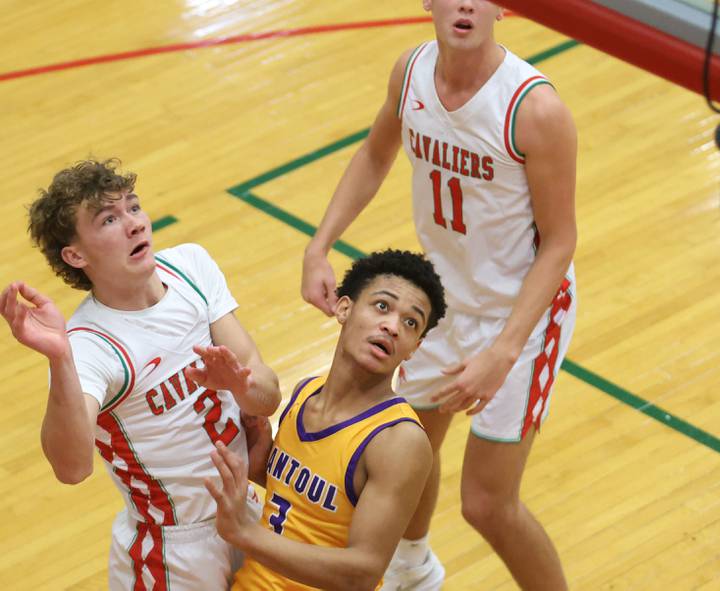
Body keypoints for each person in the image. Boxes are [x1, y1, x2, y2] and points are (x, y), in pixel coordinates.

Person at [300, 1, 577, 589]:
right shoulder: (411, 72)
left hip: (521, 315)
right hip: (438, 305)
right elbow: (377, 153)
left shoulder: (534, 108)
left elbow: (560, 242)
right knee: (405, 448)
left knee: (486, 503)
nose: (467, 3)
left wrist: (502, 353)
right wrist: (319, 245)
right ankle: (413, 569)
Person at [0, 159, 282, 590]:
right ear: (76, 255)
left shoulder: (192, 267)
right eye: (109, 219)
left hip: (249, 508)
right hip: (174, 550)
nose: (134, 224)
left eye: (133, 207)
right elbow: (71, 468)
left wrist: (240, 385)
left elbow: (268, 398)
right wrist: (60, 359)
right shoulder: (89, 345)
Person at [206, 249, 448, 590]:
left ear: (414, 347)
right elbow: (310, 506)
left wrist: (245, 534)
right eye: (382, 306)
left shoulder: (398, 440)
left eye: (411, 322)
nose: (393, 326)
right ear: (343, 308)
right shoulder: (306, 392)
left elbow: (362, 571)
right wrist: (263, 462)